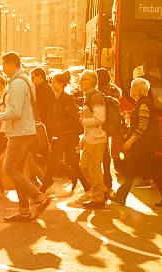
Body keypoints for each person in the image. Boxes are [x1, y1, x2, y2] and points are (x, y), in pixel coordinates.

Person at [0, 53, 51, 221]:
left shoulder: (17, 83)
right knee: (18, 171)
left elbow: (15, 111)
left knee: (9, 169)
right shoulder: (26, 80)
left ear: (13, 64)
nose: (3, 69)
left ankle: (38, 197)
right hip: (25, 131)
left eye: (4, 65)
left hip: (20, 132)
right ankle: (24, 210)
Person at [111, 78, 162, 207]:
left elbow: (142, 126)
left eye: (133, 87)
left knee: (132, 170)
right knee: (150, 171)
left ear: (139, 90)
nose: (130, 89)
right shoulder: (142, 104)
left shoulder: (144, 104)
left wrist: (130, 141)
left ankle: (120, 196)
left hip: (143, 145)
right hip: (145, 145)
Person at [40, 72, 90, 194]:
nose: (52, 85)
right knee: (72, 161)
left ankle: (43, 188)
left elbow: (73, 116)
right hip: (61, 134)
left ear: (61, 84)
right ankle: (85, 185)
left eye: (54, 83)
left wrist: (59, 124)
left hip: (66, 134)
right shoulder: (56, 98)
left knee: (52, 161)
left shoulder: (67, 97)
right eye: (52, 82)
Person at [78, 70, 108, 208]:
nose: (80, 82)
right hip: (90, 139)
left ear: (91, 82)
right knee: (84, 167)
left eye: (83, 79)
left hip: (97, 139)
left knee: (93, 168)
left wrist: (84, 121)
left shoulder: (95, 97)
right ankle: (101, 190)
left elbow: (100, 118)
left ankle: (98, 199)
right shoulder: (88, 96)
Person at [96, 68, 120, 192]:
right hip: (110, 124)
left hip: (101, 125)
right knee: (106, 153)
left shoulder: (99, 92)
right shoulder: (113, 90)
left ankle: (103, 182)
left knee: (100, 154)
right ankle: (108, 180)